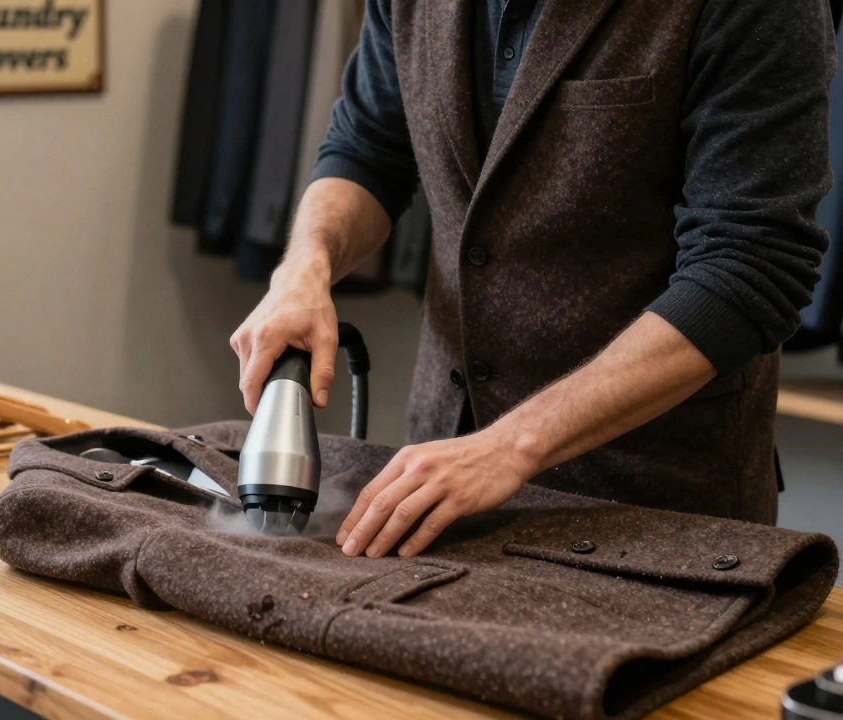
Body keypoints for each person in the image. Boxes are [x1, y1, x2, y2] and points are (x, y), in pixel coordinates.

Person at [230, 0, 836, 559]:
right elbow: (368, 148)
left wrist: (511, 446)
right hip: (438, 483)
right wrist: (304, 268)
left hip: (651, 509)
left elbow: (751, 266)